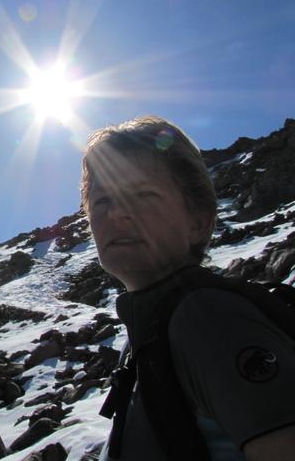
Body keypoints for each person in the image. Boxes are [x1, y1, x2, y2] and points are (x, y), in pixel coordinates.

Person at [80, 116, 295, 460]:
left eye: (143, 195)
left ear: (198, 222)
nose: (116, 212)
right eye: (102, 200)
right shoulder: (150, 331)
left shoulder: (210, 320)